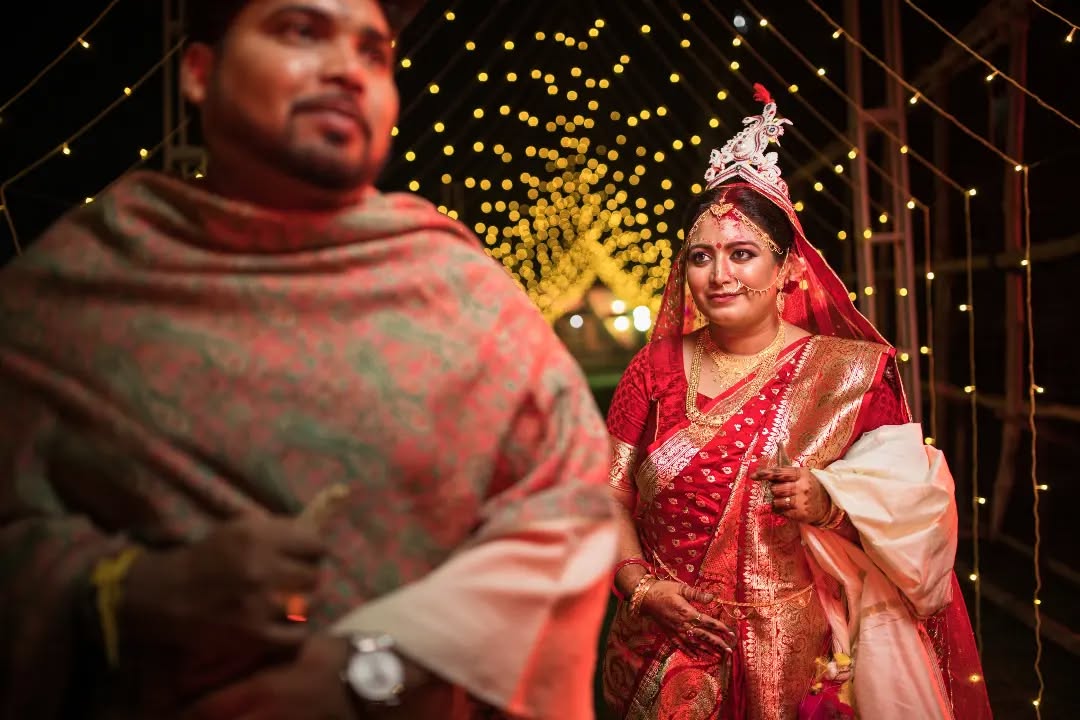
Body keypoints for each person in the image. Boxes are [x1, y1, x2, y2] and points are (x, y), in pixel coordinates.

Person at [0, 1, 616, 718]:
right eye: (301, 32)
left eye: (373, 53)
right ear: (199, 73)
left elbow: (566, 507)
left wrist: (372, 667)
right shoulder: (75, 289)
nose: (346, 72)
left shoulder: (460, 292)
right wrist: (123, 594)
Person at [600, 85, 992, 720]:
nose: (719, 274)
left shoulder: (846, 374)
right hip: (658, 648)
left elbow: (915, 519)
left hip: (795, 658)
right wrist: (640, 587)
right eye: (702, 257)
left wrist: (832, 503)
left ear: (787, 269)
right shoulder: (653, 368)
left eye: (742, 254)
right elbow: (607, 495)